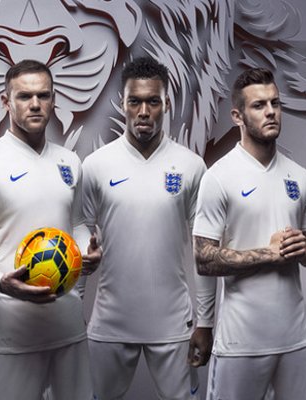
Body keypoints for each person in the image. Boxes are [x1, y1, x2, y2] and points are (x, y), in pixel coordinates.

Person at [0, 59, 101, 400]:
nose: (35, 104)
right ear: (6, 102)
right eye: (24, 96)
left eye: (43, 95)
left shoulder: (69, 162)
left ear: (53, 100)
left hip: (68, 326)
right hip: (12, 331)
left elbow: (76, 224)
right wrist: (1, 282)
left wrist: (85, 252)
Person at [79, 56, 216, 399]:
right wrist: (72, 310)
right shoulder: (96, 166)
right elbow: (79, 232)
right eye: (135, 101)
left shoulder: (191, 166)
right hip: (110, 322)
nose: (143, 111)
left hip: (173, 323)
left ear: (166, 103)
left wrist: (205, 321)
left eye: (153, 101)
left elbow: (204, 250)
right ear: (122, 104)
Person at [192, 67, 306, 400]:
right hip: (241, 342)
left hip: (296, 339)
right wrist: (270, 253)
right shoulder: (218, 177)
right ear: (237, 115)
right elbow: (204, 259)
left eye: (275, 103)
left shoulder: (299, 176)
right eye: (259, 105)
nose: (271, 112)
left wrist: (300, 249)